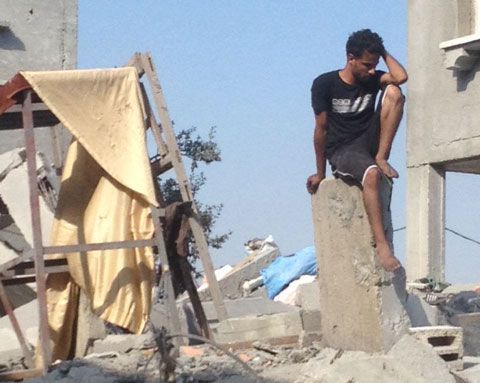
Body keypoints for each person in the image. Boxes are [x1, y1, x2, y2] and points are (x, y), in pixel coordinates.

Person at [306, 29, 407, 272]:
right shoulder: (325, 84)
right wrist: (320, 173)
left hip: (369, 140)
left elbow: (401, 77)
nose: (371, 71)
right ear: (350, 58)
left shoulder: (372, 79)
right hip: (343, 149)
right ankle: (382, 246)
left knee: (394, 92)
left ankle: (382, 156)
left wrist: (381, 51)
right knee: (371, 175)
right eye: (366, 64)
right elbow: (320, 131)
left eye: (374, 65)